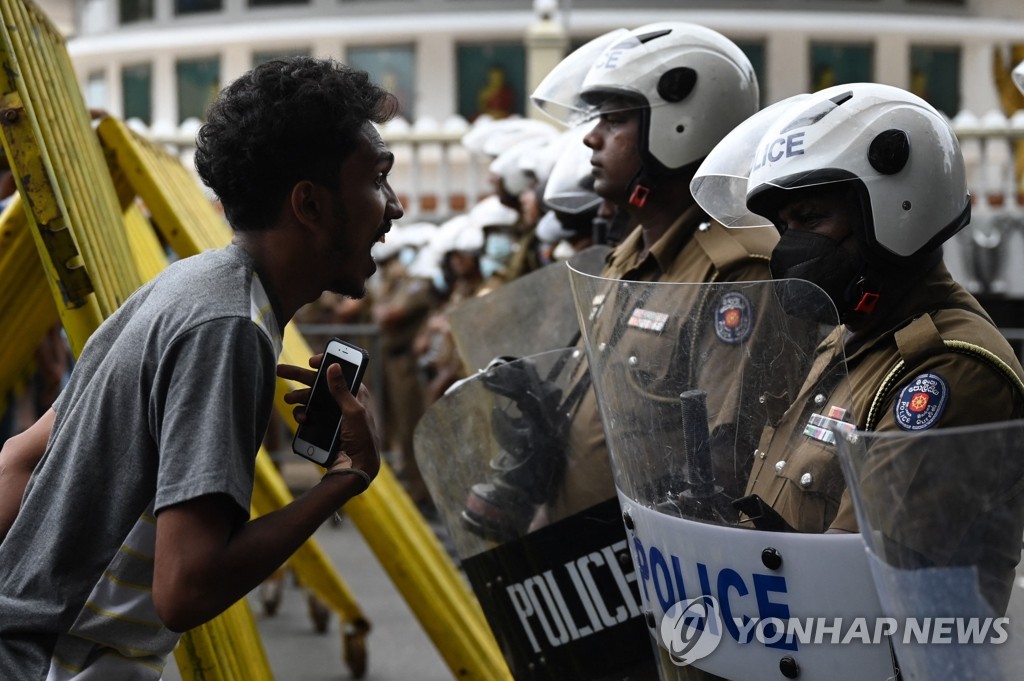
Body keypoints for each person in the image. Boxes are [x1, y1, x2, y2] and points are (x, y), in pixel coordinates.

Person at [0, 56, 401, 678]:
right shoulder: (229, 329)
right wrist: (346, 478)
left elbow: (18, 459)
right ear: (310, 204)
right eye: (379, 179)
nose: (394, 207)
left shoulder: (184, 286)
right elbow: (185, 590)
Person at [693, 82, 1024, 612]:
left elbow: (854, 589)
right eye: (784, 227)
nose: (792, 247)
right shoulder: (851, 340)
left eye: (812, 219)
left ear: (897, 208)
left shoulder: (948, 366)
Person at [524, 22, 778, 526]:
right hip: (584, 562)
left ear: (684, 125)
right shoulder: (627, 255)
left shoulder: (736, 269)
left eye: (615, 119)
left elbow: (723, 466)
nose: (592, 137)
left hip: (656, 572)